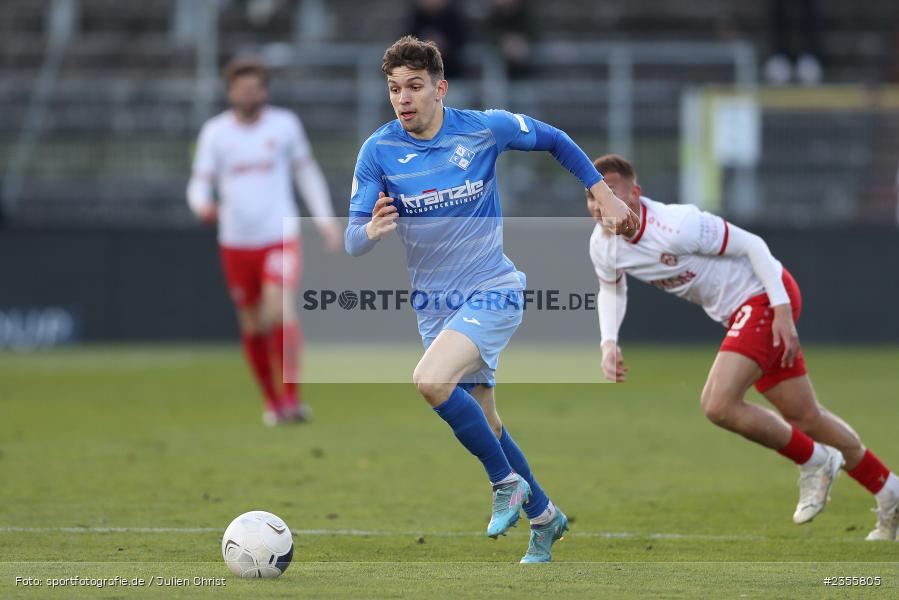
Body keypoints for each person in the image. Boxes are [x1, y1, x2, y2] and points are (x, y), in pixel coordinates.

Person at [345, 36, 639, 563]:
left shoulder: (481, 129)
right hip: (436, 308)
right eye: (394, 89)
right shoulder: (378, 151)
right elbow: (350, 241)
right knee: (487, 421)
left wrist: (601, 189)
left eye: (414, 87)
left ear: (440, 88)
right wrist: (370, 231)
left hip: (494, 289)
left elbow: (553, 139)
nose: (403, 99)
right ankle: (546, 518)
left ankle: (504, 484)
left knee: (429, 380)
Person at [587, 154, 899, 542]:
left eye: (609, 192)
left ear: (635, 193)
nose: (599, 204)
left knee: (718, 404)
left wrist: (781, 309)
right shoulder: (603, 245)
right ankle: (890, 492)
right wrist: (608, 343)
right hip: (742, 313)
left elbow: (753, 244)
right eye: (592, 195)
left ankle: (816, 461)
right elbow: (611, 288)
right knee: (807, 417)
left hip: (764, 297)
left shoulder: (678, 226)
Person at [187, 57, 342, 426]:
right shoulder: (215, 133)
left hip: (280, 235)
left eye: (255, 88)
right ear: (230, 92)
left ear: (265, 91)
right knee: (253, 324)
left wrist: (324, 221)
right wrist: (202, 207)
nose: (249, 94)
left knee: (278, 309)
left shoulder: (285, 125)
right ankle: (272, 403)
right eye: (241, 89)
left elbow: (307, 174)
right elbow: (198, 183)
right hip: (236, 242)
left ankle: (292, 399)